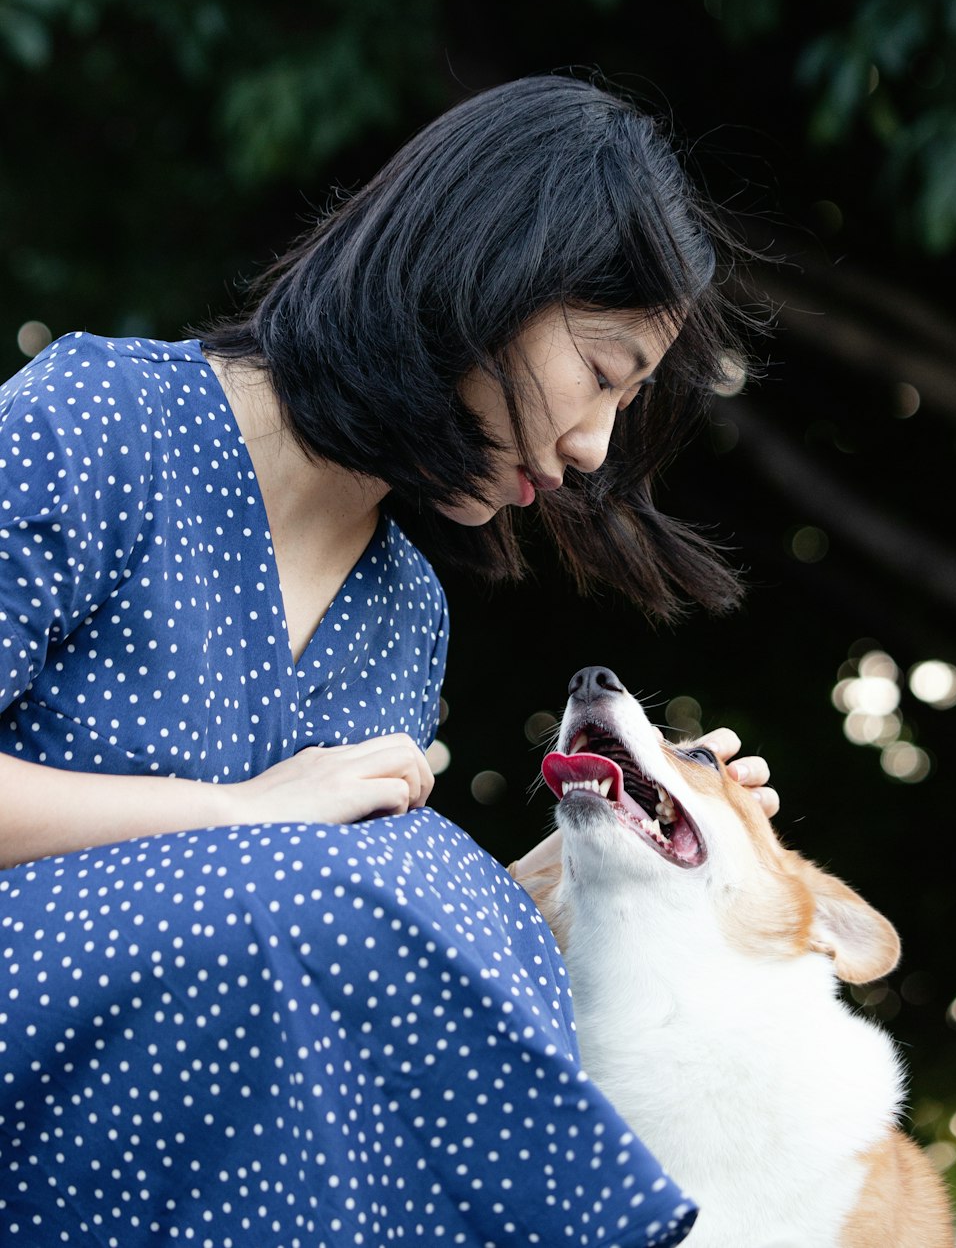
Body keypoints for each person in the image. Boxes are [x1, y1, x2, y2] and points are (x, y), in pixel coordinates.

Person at [0, 75, 774, 1246]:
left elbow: (326, 954)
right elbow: (282, 866)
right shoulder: (99, 419)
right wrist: (232, 813)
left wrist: (582, 870)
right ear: (487, 273)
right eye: (604, 372)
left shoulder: (402, 608)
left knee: (441, 889)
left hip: (208, 1146)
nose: (591, 446)